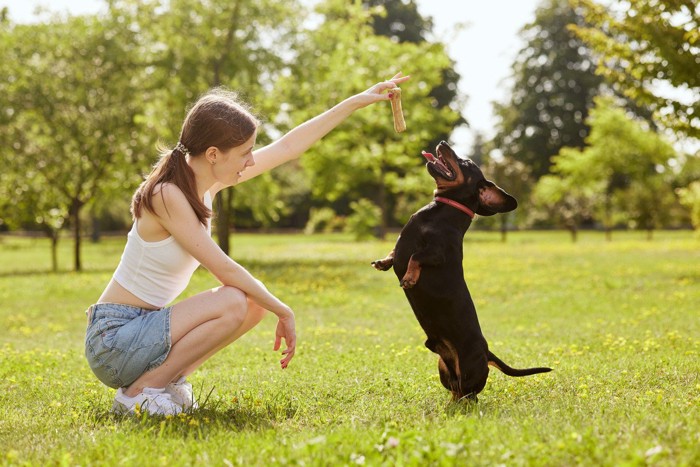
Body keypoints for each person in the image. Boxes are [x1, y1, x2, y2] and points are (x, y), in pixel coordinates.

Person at [84, 72, 410, 415]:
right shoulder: (166, 195)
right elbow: (222, 268)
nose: (251, 161)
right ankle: (138, 393)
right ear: (213, 154)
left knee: (252, 302)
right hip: (114, 341)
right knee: (236, 298)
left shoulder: (204, 187)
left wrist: (358, 100)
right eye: (245, 153)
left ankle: (166, 383)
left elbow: (287, 147)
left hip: (140, 333)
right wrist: (283, 309)